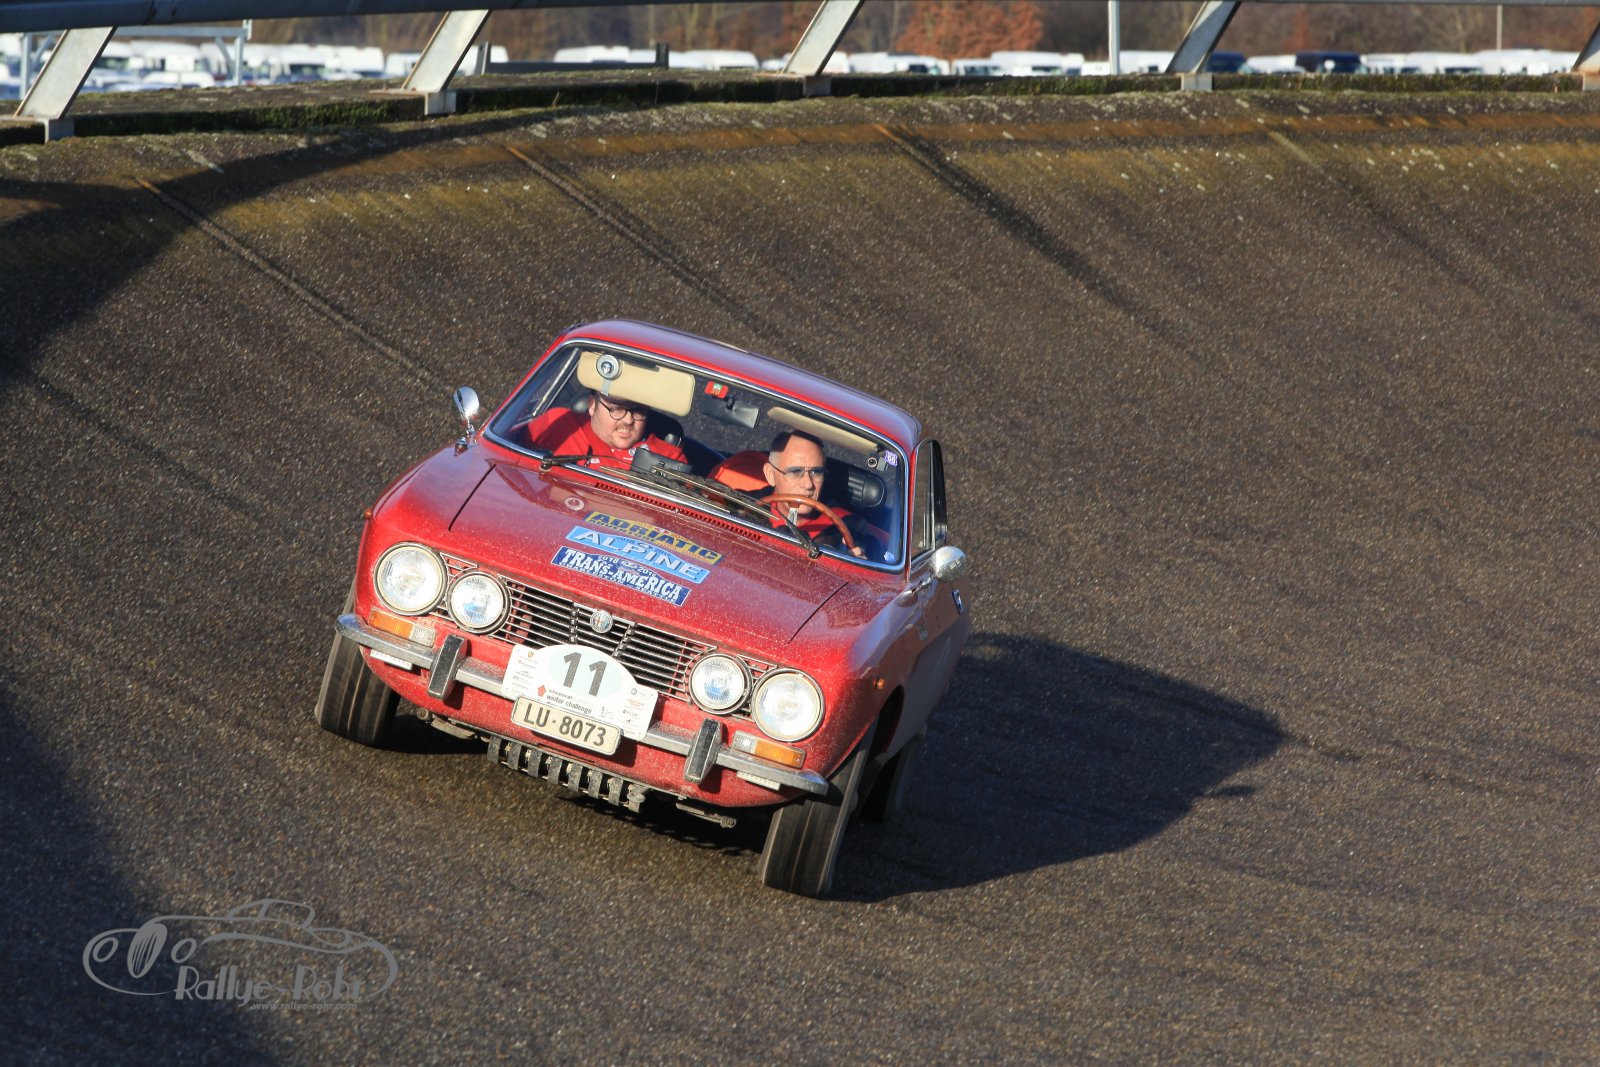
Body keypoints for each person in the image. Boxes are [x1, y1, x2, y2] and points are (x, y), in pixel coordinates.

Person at [763, 430, 866, 558]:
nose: (808, 484)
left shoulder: (846, 526)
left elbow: (861, 551)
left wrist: (854, 557)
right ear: (770, 475)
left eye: (816, 472)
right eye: (795, 472)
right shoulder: (747, 503)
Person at [526, 390, 686, 469]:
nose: (628, 420)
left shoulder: (667, 457)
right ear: (592, 406)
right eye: (616, 409)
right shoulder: (558, 424)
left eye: (638, 410)